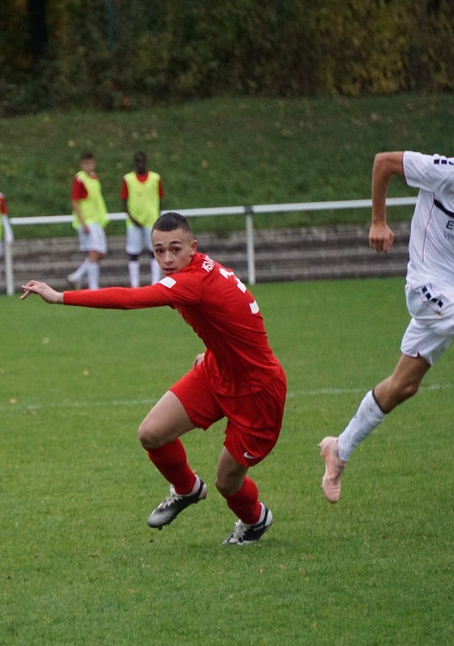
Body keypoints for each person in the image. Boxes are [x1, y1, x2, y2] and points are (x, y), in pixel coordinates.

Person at [23, 212, 287, 545]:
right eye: (158, 251)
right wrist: (215, 352)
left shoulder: (191, 283)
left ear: (193, 247)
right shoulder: (199, 270)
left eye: (174, 249)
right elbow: (231, 317)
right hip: (218, 370)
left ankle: (255, 520)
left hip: (257, 393)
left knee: (227, 482)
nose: (166, 259)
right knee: (152, 433)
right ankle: (187, 489)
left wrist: (61, 296)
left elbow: (128, 299)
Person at [319, 97, 454, 502]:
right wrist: (378, 220)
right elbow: (383, 162)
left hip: (453, 300)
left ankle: (338, 450)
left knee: (402, 386)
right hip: (426, 288)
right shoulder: (443, 170)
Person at [121, 151, 164, 287]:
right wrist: (131, 217)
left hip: (152, 220)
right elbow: (123, 199)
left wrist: (158, 216)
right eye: (138, 161)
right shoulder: (128, 179)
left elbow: (160, 198)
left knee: (154, 251)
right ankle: (134, 284)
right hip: (134, 221)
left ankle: (155, 282)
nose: (140, 164)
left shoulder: (155, 178)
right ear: (135, 163)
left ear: (146, 162)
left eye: (142, 161)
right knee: (133, 252)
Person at [67, 151, 108, 290]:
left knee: (101, 252)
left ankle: (76, 276)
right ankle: (93, 287)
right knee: (94, 252)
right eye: (86, 164)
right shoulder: (80, 179)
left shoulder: (94, 178)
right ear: (82, 164)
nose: (89, 166)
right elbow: (74, 201)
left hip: (96, 220)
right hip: (87, 221)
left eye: (91, 163)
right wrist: (82, 222)